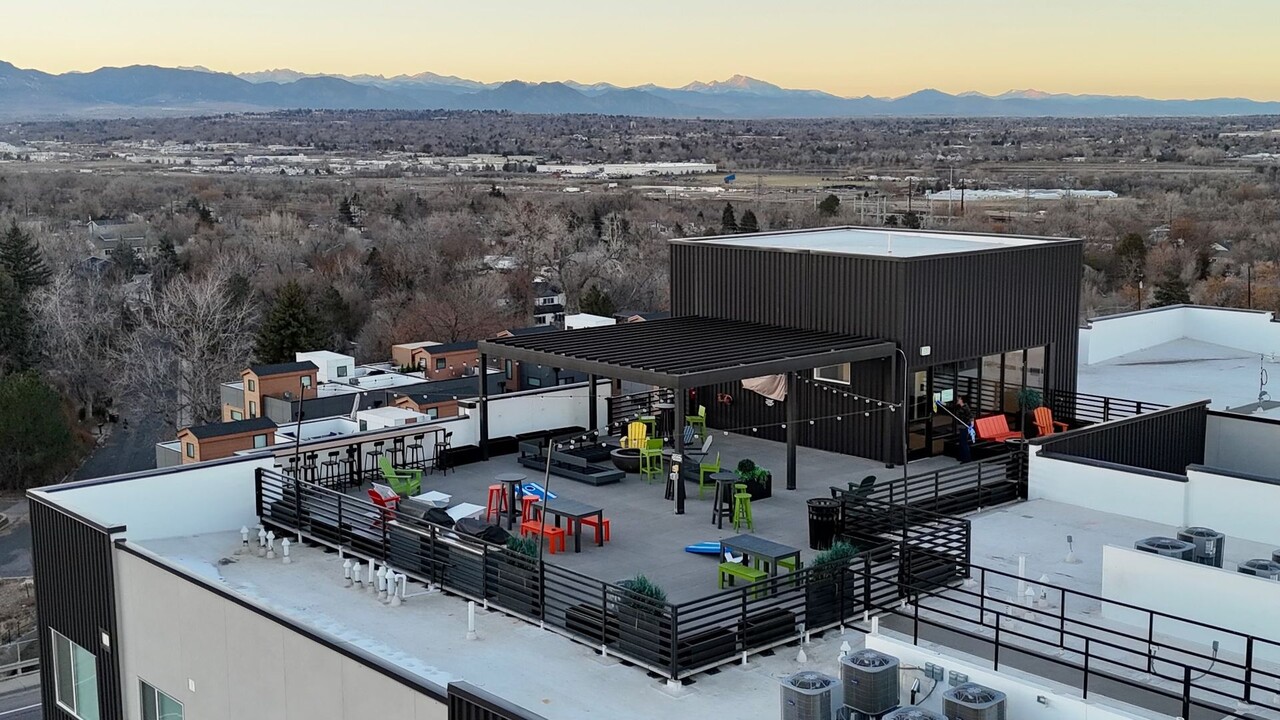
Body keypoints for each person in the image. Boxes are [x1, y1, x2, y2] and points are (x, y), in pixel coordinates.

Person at [950, 395, 975, 463]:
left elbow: (971, 416)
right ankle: (961, 457)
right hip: (962, 426)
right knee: (961, 442)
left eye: (959, 399)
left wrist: (971, 426)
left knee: (964, 442)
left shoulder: (965, 408)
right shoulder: (959, 407)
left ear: (962, 400)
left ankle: (967, 458)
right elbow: (951, 406)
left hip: (966, 427)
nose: (958, 399)